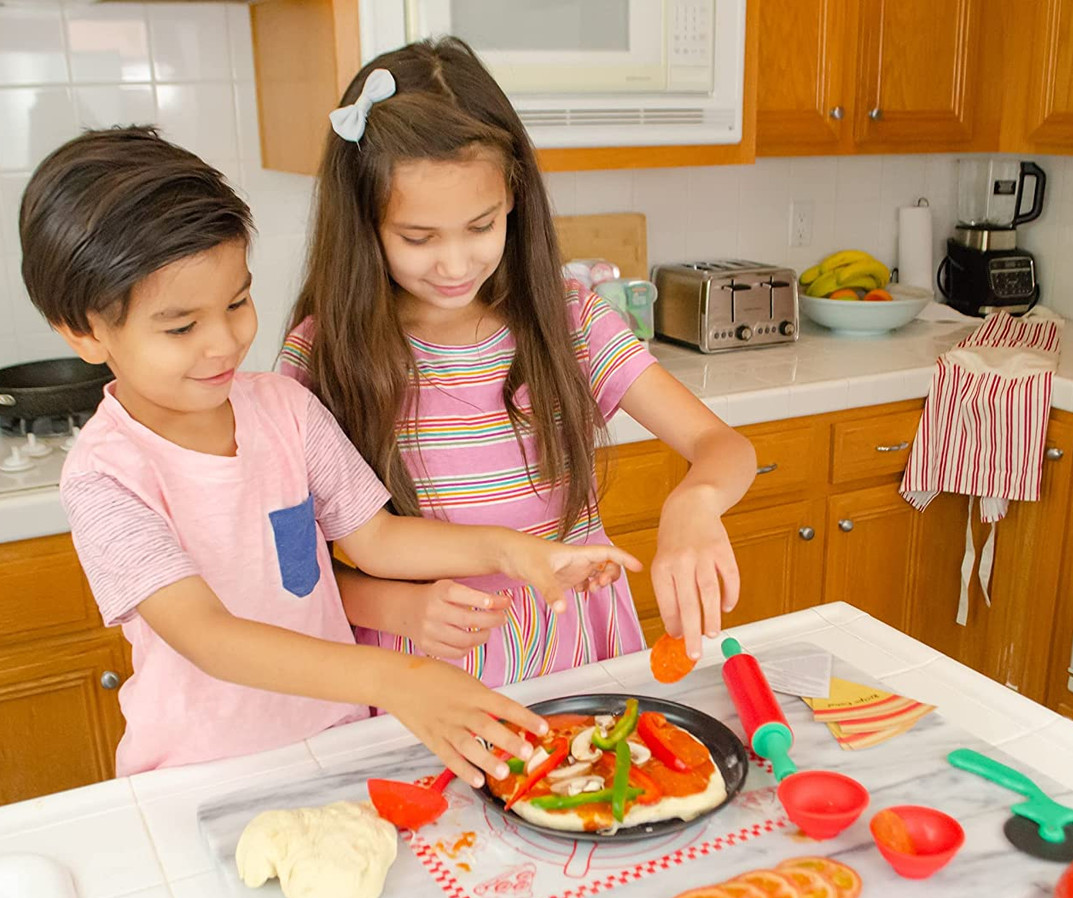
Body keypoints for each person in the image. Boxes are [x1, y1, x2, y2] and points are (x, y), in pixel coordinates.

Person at [20, 126, 639, 783]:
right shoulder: (106, 475)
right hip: (200, 769)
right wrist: (400, 677)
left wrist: (513, 550)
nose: (224, 342)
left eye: (237, 302)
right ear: (83, 330)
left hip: (338, 739)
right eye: (181, 327)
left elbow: (374, 538)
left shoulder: (283, 411)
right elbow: (208, 636)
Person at [279, 39, 756, 686]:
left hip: (580, 651)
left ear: (513, 201)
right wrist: (400, 604)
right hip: (427, 669)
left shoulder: (569, 320)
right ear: (364, 225)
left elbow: (721, 443)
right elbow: (297, 569)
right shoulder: (322, 358)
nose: (454, 264)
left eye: (480, 226)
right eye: (418, 238)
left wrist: (696, 502)